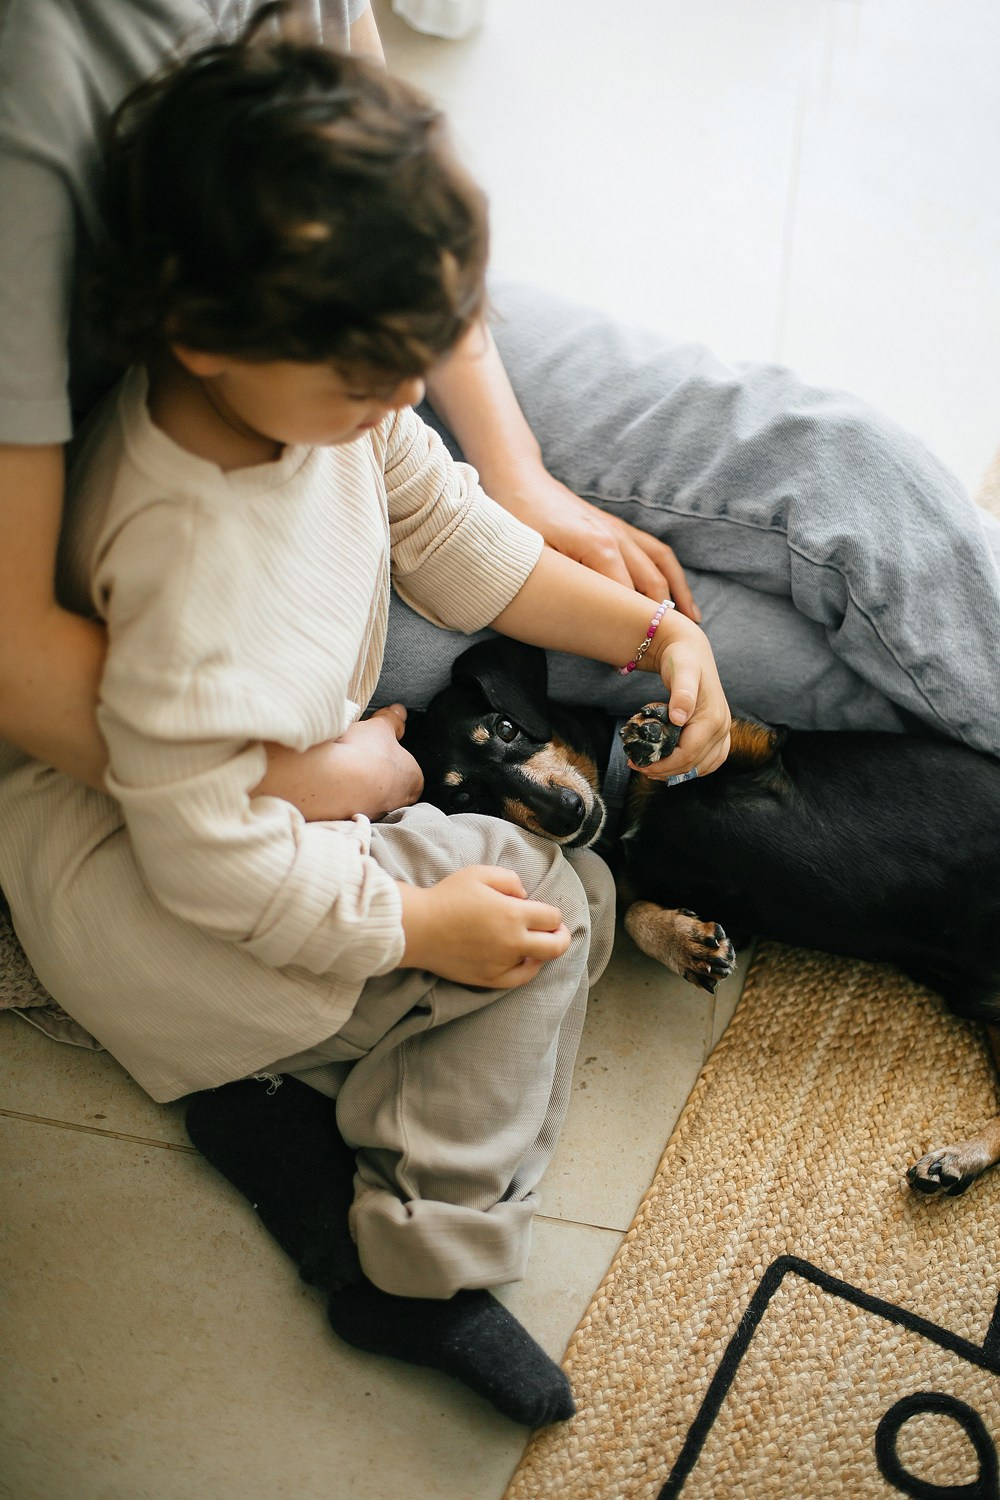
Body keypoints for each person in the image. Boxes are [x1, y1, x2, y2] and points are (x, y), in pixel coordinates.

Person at [0, 26, 732, 1424]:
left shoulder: (326, 403)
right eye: (373, 380)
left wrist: (653, 635)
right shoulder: (191, 562)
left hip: (219, 825)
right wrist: (412, 927)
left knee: (562, 883)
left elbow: (460, 541)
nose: (405, 400)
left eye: (418, 360)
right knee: (536, 916)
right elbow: (206, 856)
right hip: (146, 886)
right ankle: (413, 1263)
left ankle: (270, 1101)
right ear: (201, 338)